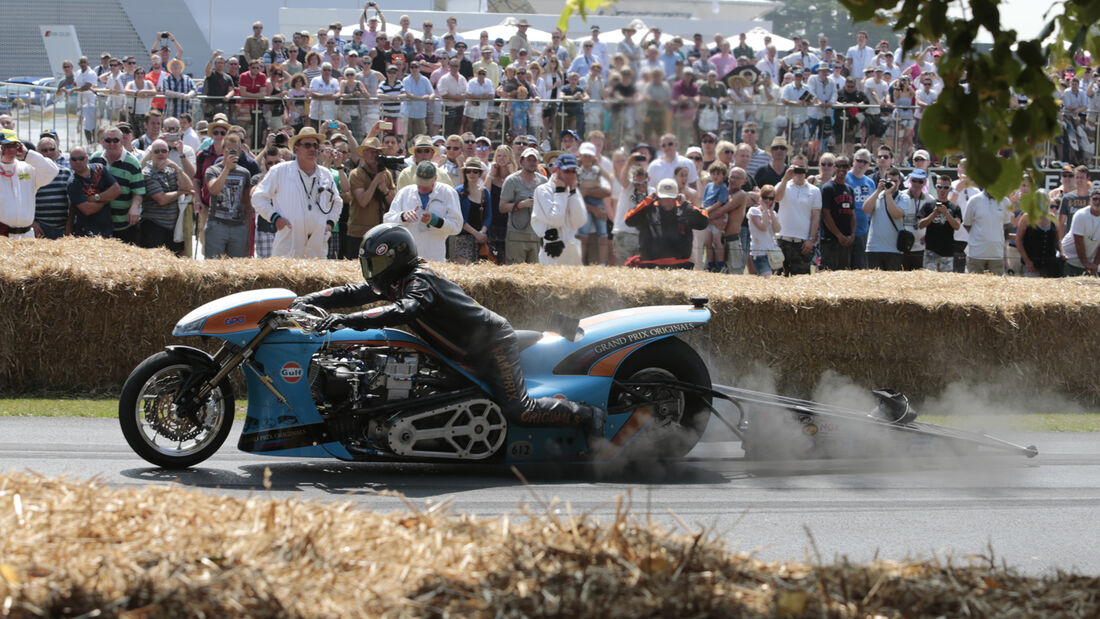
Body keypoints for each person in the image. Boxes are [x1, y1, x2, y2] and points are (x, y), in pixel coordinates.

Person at [294, 223, 607, 445]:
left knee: (519, 410)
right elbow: (352, 292)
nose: (373, 271)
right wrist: (308, 300)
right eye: (370, 264)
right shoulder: (395, 282)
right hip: (460, 352)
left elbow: (407, 309)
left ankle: (587, 415)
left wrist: (346, 321)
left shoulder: (419, 280)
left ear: (397, 258)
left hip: (491, 344)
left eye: (377, 263)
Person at [252, 127, 342, 258]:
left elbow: (337, 203)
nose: (312, 149)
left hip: (317, 247)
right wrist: (275, 218)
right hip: (288, 246)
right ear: (296, 149)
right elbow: (258, 198)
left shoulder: (325, 174)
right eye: (307, 145)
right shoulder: (280, 171)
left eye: (315, 146)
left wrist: (330, 224)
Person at [383, 161, 462, 262]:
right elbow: (387, 221)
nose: (422, 187)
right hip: (408, 257)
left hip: (435, 257)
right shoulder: (404, 193)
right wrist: (402, 217)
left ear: (435, 178)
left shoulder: (448, 193)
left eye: (426, 184)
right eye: (420, 183)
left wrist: (436, 221)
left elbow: (457, 226)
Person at [625, 178, 710, 269]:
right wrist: (648, 200)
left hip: (680, 266)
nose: (667, 201)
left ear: (677, 196)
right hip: (650, 266)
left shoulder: (685, 209)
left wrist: (685, 204)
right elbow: (629, 220)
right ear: (658, 196)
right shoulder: (648, 209)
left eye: (670, 197)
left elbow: (703, 222)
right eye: (664, 198)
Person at [90, 126, 146, 244]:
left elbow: (139, 192)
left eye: (115, 140)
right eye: (108, 140)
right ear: (102, 142)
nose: (112, 144)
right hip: (98, 222)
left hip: (124, 223)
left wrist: (134, 208)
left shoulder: (133, 163)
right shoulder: (94, 159)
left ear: (121, 142)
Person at [0, 131, 60, 238]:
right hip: (3, 235)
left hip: (26, 235)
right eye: (6, 146)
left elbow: (52, 171)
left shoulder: (26, 168)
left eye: (14, 145)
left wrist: (28, 155)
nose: (11, 149)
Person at [202, 133, 253, 258]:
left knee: (236, 268)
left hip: (238, 227)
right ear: (223, 150)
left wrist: (247, 221)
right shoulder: (212, 170)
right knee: (214, 267)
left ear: (240, 152)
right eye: (228, 150)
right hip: (217, 225)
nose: (231, 153)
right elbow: (214, 189)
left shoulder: (245, 173)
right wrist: (226, 169)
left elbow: (247, 200)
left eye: (234, 150)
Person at [531, 153, 587, 266]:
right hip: (552, 253)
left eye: (573, 172)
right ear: (557, 170)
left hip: (573, 251)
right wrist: (560, 192)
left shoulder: (573, 190)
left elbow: (580, 221)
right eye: (567, 171)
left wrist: (572, 193)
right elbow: (556, 220)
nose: (570, 175)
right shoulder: (542, 190)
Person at [140, 138, 192, 253]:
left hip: (173, 227)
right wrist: (180, 192)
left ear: (167, 153)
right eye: (156, 151)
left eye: (163, 151)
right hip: (154, 226)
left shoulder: (172, 170)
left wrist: (177, 168)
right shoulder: (147, 173)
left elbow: (188, 187)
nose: (160, 154)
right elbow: (162, 199)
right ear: (151, 154)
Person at [773, 154, 821, 275]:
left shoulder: (814, 190)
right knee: (778, 280)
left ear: (806, 169)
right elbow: (777, 198)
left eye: (801, 167)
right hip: (782, 239)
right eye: (796, 167)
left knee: (801, 283)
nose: (799, 170)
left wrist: (811, 240)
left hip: (802, 242)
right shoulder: (783, 185)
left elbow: (816, 216)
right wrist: (785, 178)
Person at [498, 146, 545, 264]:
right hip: (516, 236)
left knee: (536, 275)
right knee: (516, 274)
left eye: (534, 160)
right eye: (529, 160)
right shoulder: (512, 180)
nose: (532, 163)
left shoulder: (544, 181)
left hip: (536, 235)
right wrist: (521, 205)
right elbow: (502, 207)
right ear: (521, 161)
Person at [66, 146, 122, 238]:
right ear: (70, 161)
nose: (78, 162)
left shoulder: (99, 169)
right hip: (85, 233)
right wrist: (107, 198)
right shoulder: (73, 183)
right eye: (74, 159)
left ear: (87, 158)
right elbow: (88, 210)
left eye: (81, 158)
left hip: (106, 229)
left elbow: (117, 190)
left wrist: (96, 197)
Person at [862, 167, 905, 271]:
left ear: (900, 182)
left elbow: (896, 214)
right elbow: (866, 210)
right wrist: (878, 191)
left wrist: (888, 194)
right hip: (874, 248)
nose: (893, 184)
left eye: (895, 181)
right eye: (890, 181)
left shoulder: (903, 197)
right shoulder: (878, 195)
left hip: (894, 249)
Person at [963, 186, 1012, 275]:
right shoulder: (974, 200)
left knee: (996, 287)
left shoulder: (1005, 201)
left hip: (996, 254)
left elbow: (1005, 225)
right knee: (973, 286)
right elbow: (967, 225)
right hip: (976, 254)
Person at [452, 157, 493, 264]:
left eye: (475, 171)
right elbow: (459, 218)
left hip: (482, 240)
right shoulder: (458, 192)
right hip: (463, 238)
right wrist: (476, 234)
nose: (472, 174)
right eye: (468, 171)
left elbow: (488, 215)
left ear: (480, 174)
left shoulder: (485, 192)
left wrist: (482, 232)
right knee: (464, 273)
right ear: (465, 173)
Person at [917, 174, 962, 271]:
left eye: (946, 187)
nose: (942, 190)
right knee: (929, 280)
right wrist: (934, 214)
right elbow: (920, 225)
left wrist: (946, 213)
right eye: (940, 187)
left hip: (947, 251)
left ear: (950, 189)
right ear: (936, 188)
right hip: (930, 250)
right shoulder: (928, 205)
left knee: (945, 282)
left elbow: (957, 226)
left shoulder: (955, 207)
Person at [818, 156, 856, 270]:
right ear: (835, 167)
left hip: (846, 240)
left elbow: (852, 214)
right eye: (839, 166)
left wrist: (852, 234)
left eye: (845, 166)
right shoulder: (827, 188)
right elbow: (825, 214)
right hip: (830, 240)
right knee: (828, 274)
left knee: (844, 275)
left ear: (849, 168)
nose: (842, 169)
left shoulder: (850, 189)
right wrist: (839, 235)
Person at [33, 136, 73, 239]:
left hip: (62, 227)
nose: (49, 152)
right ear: (38, 153)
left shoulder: (66, 172)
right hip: (41, 227)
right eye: (44, 150)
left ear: (57, 151)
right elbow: (25, 201)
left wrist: (69, 224)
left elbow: (72, 202)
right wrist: (33, 223)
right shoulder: (32, 173)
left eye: (52, 149)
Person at [1060, 189, 1100, 276]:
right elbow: (1078, 242)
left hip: (1088, 263)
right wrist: (1086, 263)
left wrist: (1095, 264)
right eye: (1095, 199)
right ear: (1090, 200)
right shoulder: (1081, 215)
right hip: (1069, 259)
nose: (1097, 202)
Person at [747, 184, 781, 276]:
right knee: (767, 277)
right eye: (765, 197)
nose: (768, 200)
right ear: (760, 197)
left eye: (771, 198)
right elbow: (763, 227)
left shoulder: (773, 213)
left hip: (772, 253)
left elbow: (777, 229)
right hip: (759, 253)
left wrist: (771, 213)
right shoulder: (754, 211)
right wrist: (765, 210)